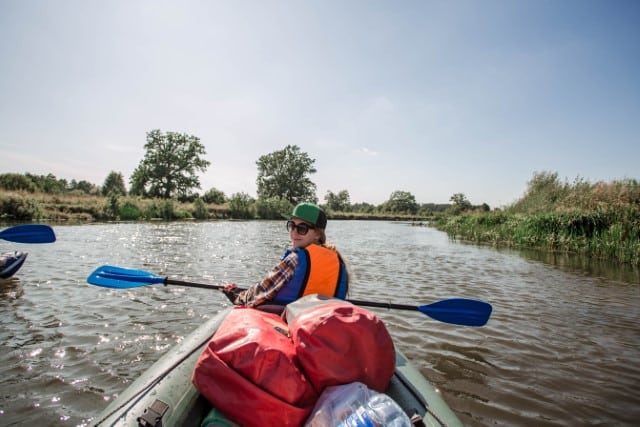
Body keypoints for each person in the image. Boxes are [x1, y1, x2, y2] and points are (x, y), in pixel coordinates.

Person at [223, 202, 349, 308]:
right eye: (292, 226)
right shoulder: (339, 261)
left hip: (292, 322)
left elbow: (263, 290)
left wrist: (237, 297)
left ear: (317, 234)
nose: (294, 233)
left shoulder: (295, 259)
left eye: (302, 228)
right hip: (321, 324)